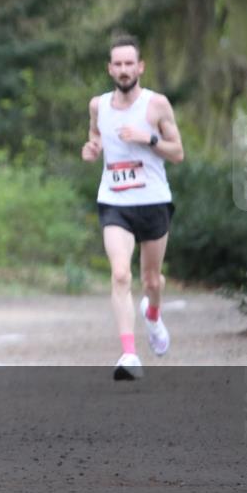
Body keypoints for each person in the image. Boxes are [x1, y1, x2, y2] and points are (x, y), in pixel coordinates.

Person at [81, 34, 184, 380]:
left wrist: (148, 138)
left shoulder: (156, 105)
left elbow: (178, 152)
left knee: (151, 280)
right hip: (115, 201)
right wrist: (92, 148)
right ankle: (129, 354)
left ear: (140, 67)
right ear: (109, 69)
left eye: (129, 63)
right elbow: (96, 135)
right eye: (118, 64)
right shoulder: (98, 105)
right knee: (121, 274)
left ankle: (152, 314)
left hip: (153, 200)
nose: (124, 69)